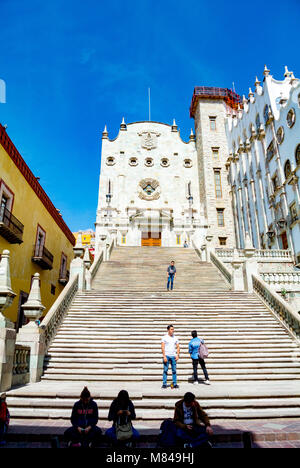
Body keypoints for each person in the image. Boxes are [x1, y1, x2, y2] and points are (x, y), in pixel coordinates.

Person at [161, 325, 180, 389]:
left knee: (174, 370)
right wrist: (164, 356)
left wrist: (177, 355)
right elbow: (162, 347)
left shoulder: (175, 338)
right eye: (171, 329)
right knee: (165, 370)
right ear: (168, 330)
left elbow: (178, 347)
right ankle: (164, 383)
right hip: (167, 355)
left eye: (173, 329)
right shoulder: (164, 337)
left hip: (173, 356)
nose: (173, 330)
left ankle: (175, 383)